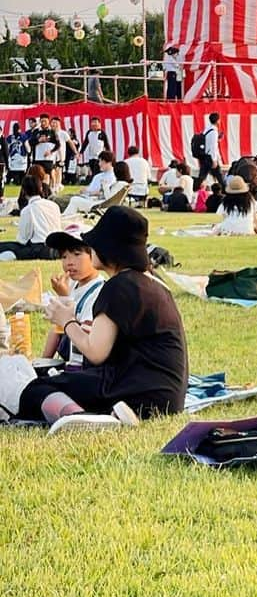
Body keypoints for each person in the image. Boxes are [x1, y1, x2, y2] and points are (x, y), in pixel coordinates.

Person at [23, 207, 188, 431]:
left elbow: (96, 352)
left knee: (36, 390)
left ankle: (81, 417)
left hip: (137, 393)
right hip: (167, 395)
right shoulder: (153, 283)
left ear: (110, 248)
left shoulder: (118, 285)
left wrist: (66, 321)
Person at [39, 231, 105, 368]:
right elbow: (57, 329)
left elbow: (82, 346)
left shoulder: (98, 292)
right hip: (68, 363)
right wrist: (42, 364)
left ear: (94, 254)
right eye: (64, 256)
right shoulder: (72, 285)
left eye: (76, 254)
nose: (69, 262)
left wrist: (64, 298)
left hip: (84, 367)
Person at [0, 176, 63, 259]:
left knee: (10, 247)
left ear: (24, 191)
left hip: (39, 247)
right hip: (57, 244)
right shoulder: (54, 205)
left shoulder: (28, 210)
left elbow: (23, 239)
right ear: (41, 188)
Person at [64, 152, 118, 216]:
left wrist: (89, 192)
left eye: (101, 162)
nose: (99, 164)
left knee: (73, 200)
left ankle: (65, 216)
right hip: (88, 197)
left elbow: (104, 194)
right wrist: (85, 190)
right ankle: (65, 216)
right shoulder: (98, 176)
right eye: (99, 161)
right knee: (68, 198)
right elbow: (91, 188)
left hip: (97, 202)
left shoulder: (112, 177)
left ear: (109, 163)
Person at [194, 112, 222, 189]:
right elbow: (213, 147)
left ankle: (196, 189)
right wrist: (214, 160)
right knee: (219, 176)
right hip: (210, 157)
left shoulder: (207, 129)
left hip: (204, 156)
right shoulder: (214, 131)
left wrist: (218, 139)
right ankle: (224, 190)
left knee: (202, 176)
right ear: (218, 121)